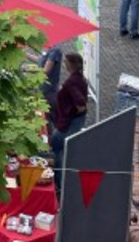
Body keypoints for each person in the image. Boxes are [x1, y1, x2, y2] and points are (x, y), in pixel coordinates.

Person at [50, 52, 88, 195]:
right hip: (73, 121)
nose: (64, 63)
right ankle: (62, 181)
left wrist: (74, 109)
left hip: (67, 122)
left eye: (66, 62)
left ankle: (59, 182)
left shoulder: (70, 83)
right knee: (62, 149)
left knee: (56, 147)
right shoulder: (80, 79)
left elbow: (80, 103)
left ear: (71, 64)